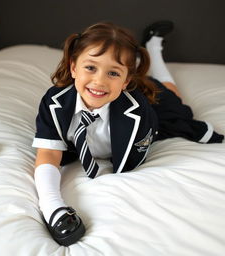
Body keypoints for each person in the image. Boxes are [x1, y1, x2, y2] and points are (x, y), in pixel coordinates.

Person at [32, 21, 224, 246]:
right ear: (73, 67)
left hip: (151, 110)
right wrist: (52, 205)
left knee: (174, 99)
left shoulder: (140, 112)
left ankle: (153, 49)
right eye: (90, 68)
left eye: (113, 72)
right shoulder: (54, 101)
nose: (99, 81)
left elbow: (134, 154)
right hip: (123, 94)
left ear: (126, 81)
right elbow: (48, 153)